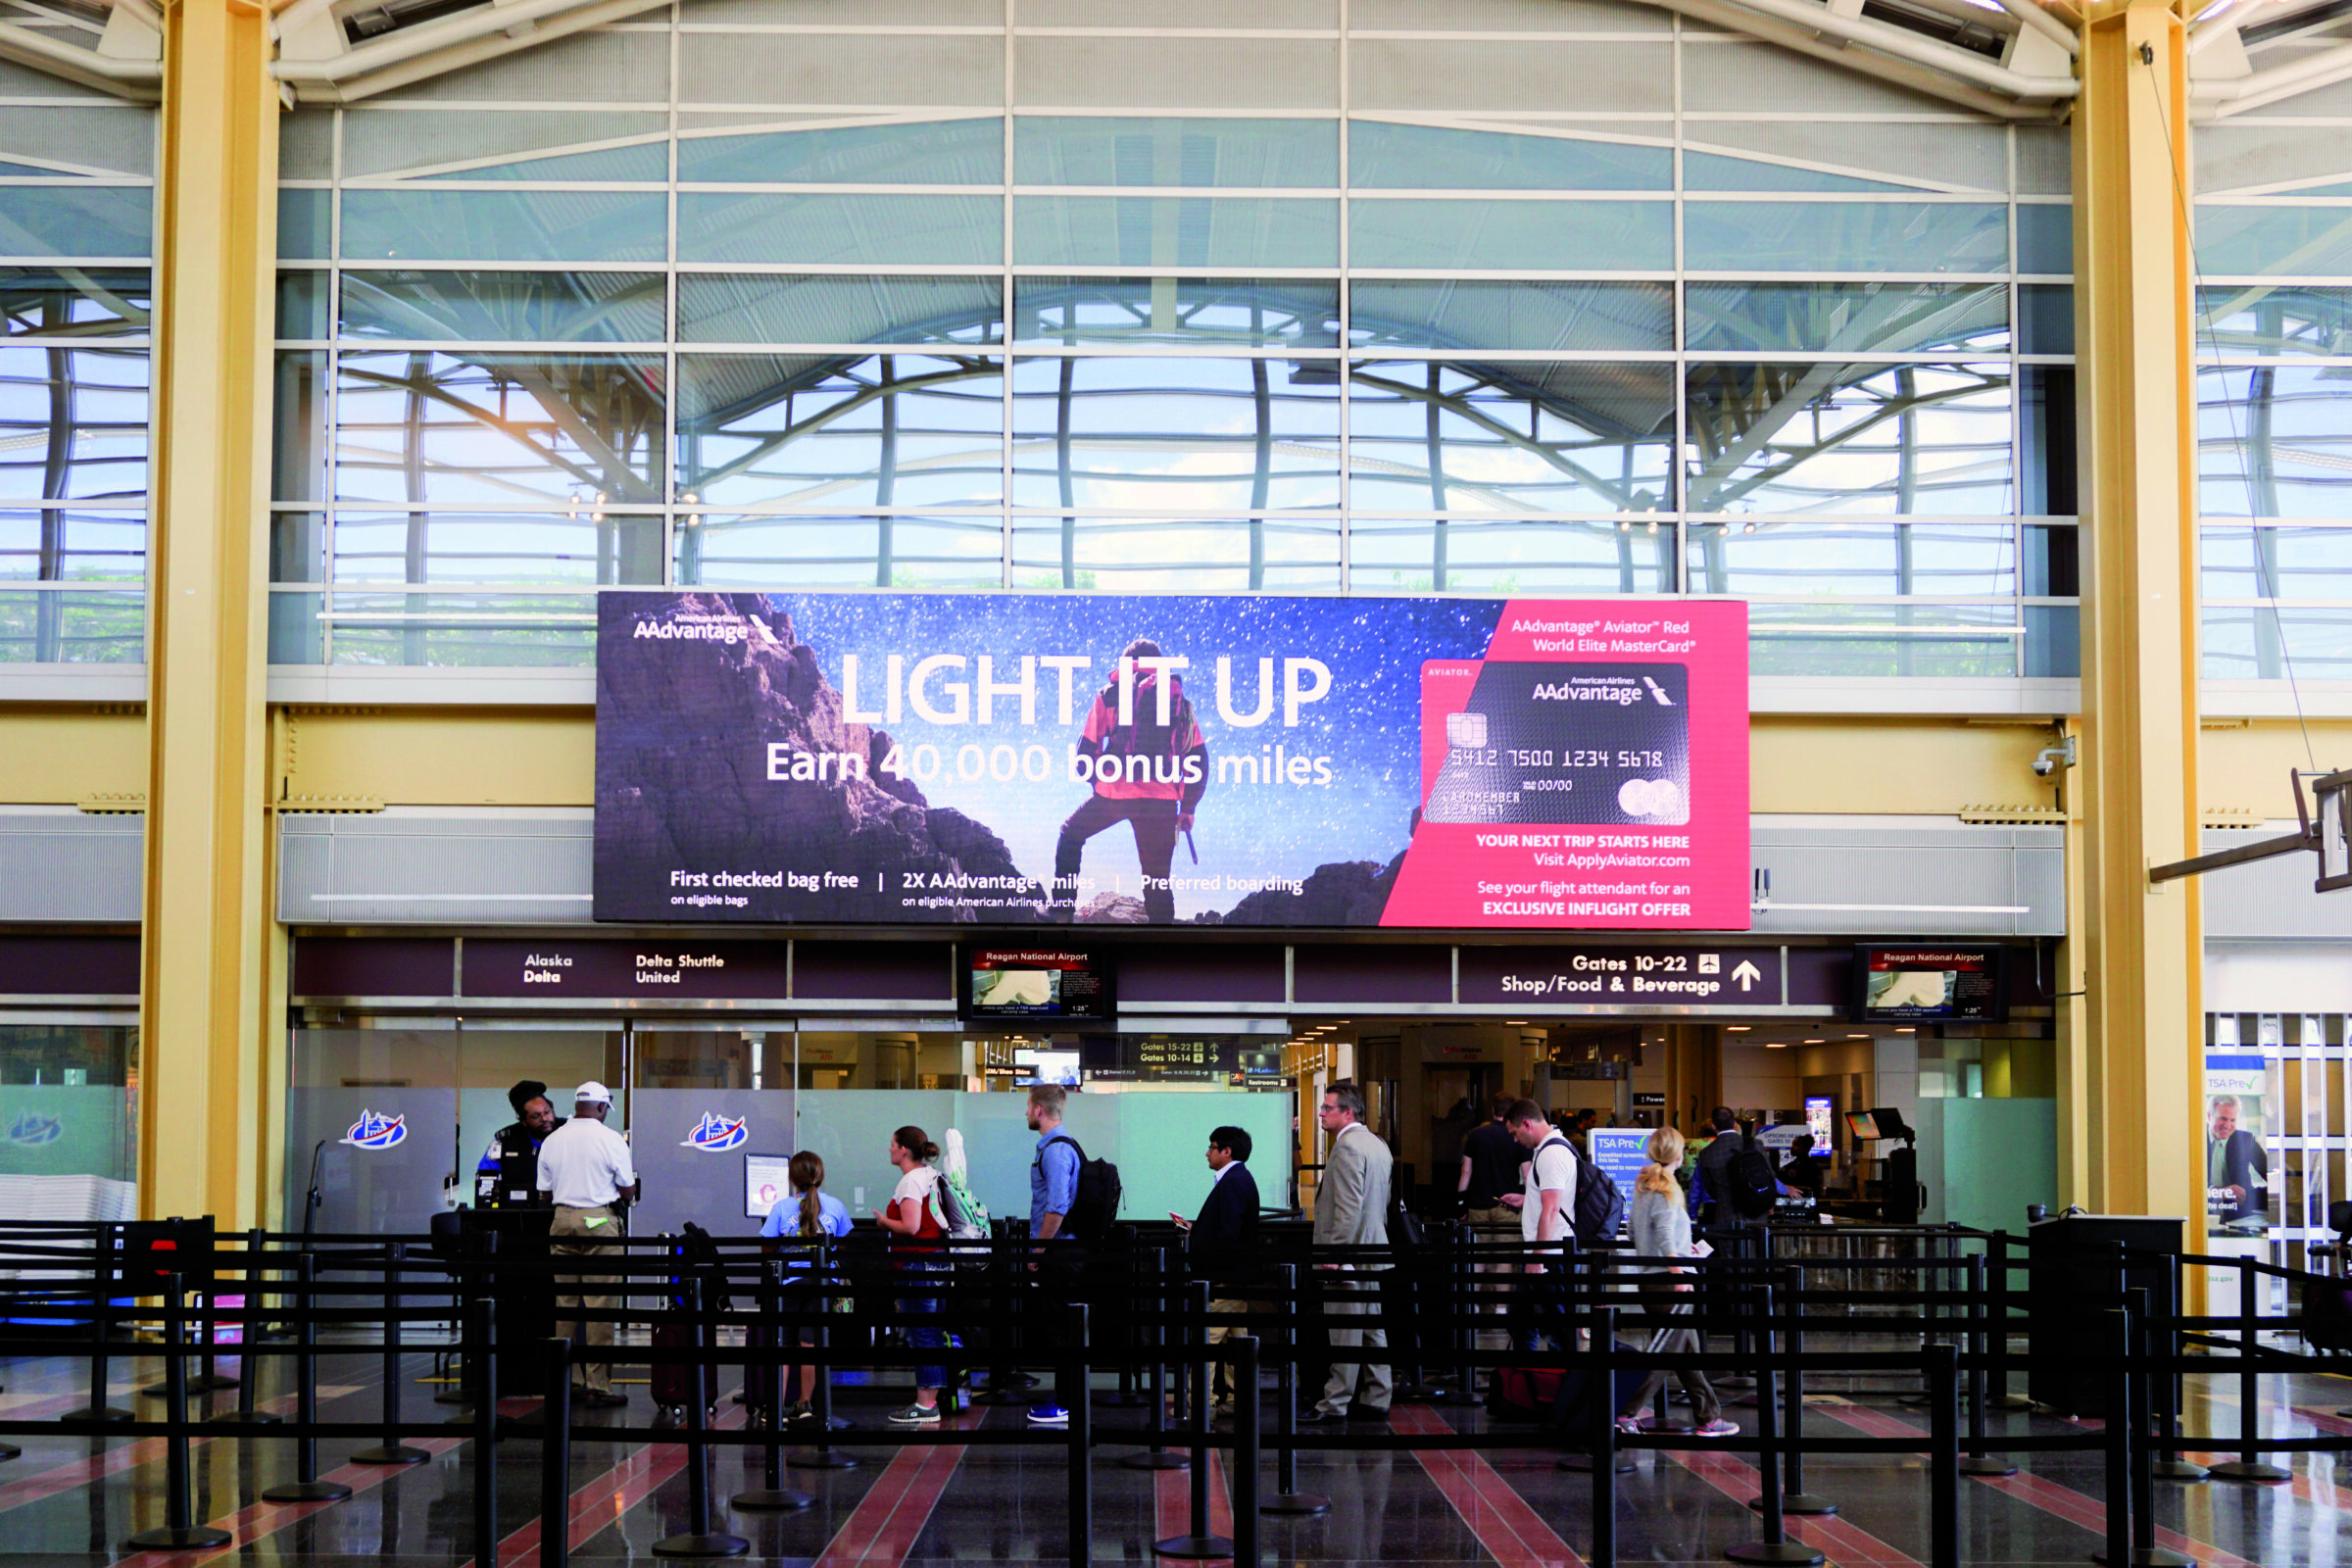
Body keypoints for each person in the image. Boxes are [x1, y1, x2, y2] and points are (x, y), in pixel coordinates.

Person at [1049, 636, 1209, 923]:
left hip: (1113, 797)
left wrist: (1103, 785)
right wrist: (1187, 808)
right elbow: (1198, 760)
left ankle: (1061, 912)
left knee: (1070, 835)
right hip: (1161, 802)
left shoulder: (1110, 695)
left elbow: (1085, 753)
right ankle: (1164, 948)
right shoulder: (1179, 704)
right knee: (1157, 880)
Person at [1617, 1127, 1738, 1438]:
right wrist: (1678, 1268)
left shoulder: (1643, 1188)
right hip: (1672, 1283)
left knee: (1687, 1354)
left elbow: (1633, 1234)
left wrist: (1683, 1250)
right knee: (1666, 1354)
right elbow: (1666, 1235)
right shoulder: (1666, 1190)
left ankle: (1708, 1417)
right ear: (1679, 1155)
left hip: (1650, 1281)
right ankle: (1625, 1413)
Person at [535, 1081, 638, 1407]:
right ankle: (598, 1385)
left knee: (565, 1305)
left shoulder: (553, 1139)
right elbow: (627, 1189)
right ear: (602, 1107)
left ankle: (567, 1381)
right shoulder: (610, 1139)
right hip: (598, 1222)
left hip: (561, 1221)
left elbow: (545, 1192)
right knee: (599, 1305)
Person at [1304, 1079, 1393, 1424]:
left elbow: (1348, 1208)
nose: (1321, 1113)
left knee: (1344, 1329)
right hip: (1373, 1250)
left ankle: (1334, 1403)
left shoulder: (1345, 1149)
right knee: (1371, 1328)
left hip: (1349, 1255)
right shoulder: (1377, 1144)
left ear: (1348, 1112)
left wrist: (1335, 1254)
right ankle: (1377, 1395)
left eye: (1327, 1108)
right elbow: (1379, 1203)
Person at [1172, 1124, 1262, 1414]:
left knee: (1207, 1339)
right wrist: (1197, 1229)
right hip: (1234, 1276)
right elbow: (1227, 1227)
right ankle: (1240, 1400)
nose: (1207, 1153)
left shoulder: (1233, 1181)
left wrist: (1207, 1258)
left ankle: (1199, 1403)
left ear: (1227, 1151)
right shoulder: (1238, 1179)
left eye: (1212, 1147)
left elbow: (1228, 1234)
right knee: (1238, 1340)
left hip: (1223, 1277)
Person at [761, 1150, 850, 1430]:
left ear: (792, 1178)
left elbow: (767, 1247)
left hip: (788, 1284)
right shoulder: (835, 1206)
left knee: (783, 1345)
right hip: (822, 1284)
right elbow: (845, 1244)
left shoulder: (782, 1207)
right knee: (810, 1344)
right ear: (820, 1176)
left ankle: (775, 1409)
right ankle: (805, 1405)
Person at [872, 1125, 949, 1424]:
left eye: (892, 1144)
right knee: (931, 1332)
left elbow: (911, 1227)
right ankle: (932, 1399)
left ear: (904, 1149)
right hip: (938, 1263)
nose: (889, 1149)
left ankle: (926, 1405)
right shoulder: (933, 1175)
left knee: (922, 1334)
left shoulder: (910, 1181)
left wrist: (884, 1222)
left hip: (917, 1265)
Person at [1023, 1083, 1084, 1427]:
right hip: (1063, 1251)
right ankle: (1067, 1400)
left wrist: (1039, 1249)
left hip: (1060, 1253)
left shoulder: (1056, 1151)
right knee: (1062, 1327)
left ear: (1039, 1111)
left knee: (1062, 1329)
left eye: (1028, 1106)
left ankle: (1066, 1402)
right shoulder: (1059, 1146)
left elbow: (1057, 1207)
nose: (1026, 1113)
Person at [1507, 1099, 1577, 1350]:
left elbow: (1551, 1209)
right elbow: (1550, 1201)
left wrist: (1537, 1259)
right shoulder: (1549, 1150)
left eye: (1515, 1133)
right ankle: (1529, 1381)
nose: (1515, 1140)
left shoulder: (1552, 1154)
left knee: (1556, 1331)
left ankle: (1558, 1386)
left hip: (1550, 1257)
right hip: (1548, 1254)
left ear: (1527, 1124)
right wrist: (1526, 1200)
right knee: (1520, 1319)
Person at [1456, 1094, 1525, 1340]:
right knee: (1505, 1259)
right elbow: (1526, 1175)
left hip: (1478, 1205)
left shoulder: (1476, 1134)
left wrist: (1460, 1206)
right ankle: (1500, 1310)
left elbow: (1466, 1172)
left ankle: (1473, 1307)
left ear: (1493, 1109)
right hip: (1509, 1207)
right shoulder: (1517, 1136)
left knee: (1477, 1258)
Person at [475, 1079, 564, 1209]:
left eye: (547, 1112)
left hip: (561, 1210)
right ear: (523, 1121)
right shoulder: (505, 1139)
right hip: (517, 1212)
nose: (545, 1119)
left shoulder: (568, 1131)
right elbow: (486, 1175)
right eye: (536, 1116)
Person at [2208, 1096, 2269, 1233]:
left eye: (2232, 1120)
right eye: (2223, 1118)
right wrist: (2218, 1192)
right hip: (2200, 1217)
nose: (2227, 1125)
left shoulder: (2245, 1139)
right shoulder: (2194, 1139)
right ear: (2208, 1116)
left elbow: (2268, 1172)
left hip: (2238, 1221)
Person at [1776, 1134, 1825, 1199]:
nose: (1792, 1147)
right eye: (1792, 1145)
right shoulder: (1791, 1165)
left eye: (1796, 1145)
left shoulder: (1809, 1166)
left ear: (1805, 1149)